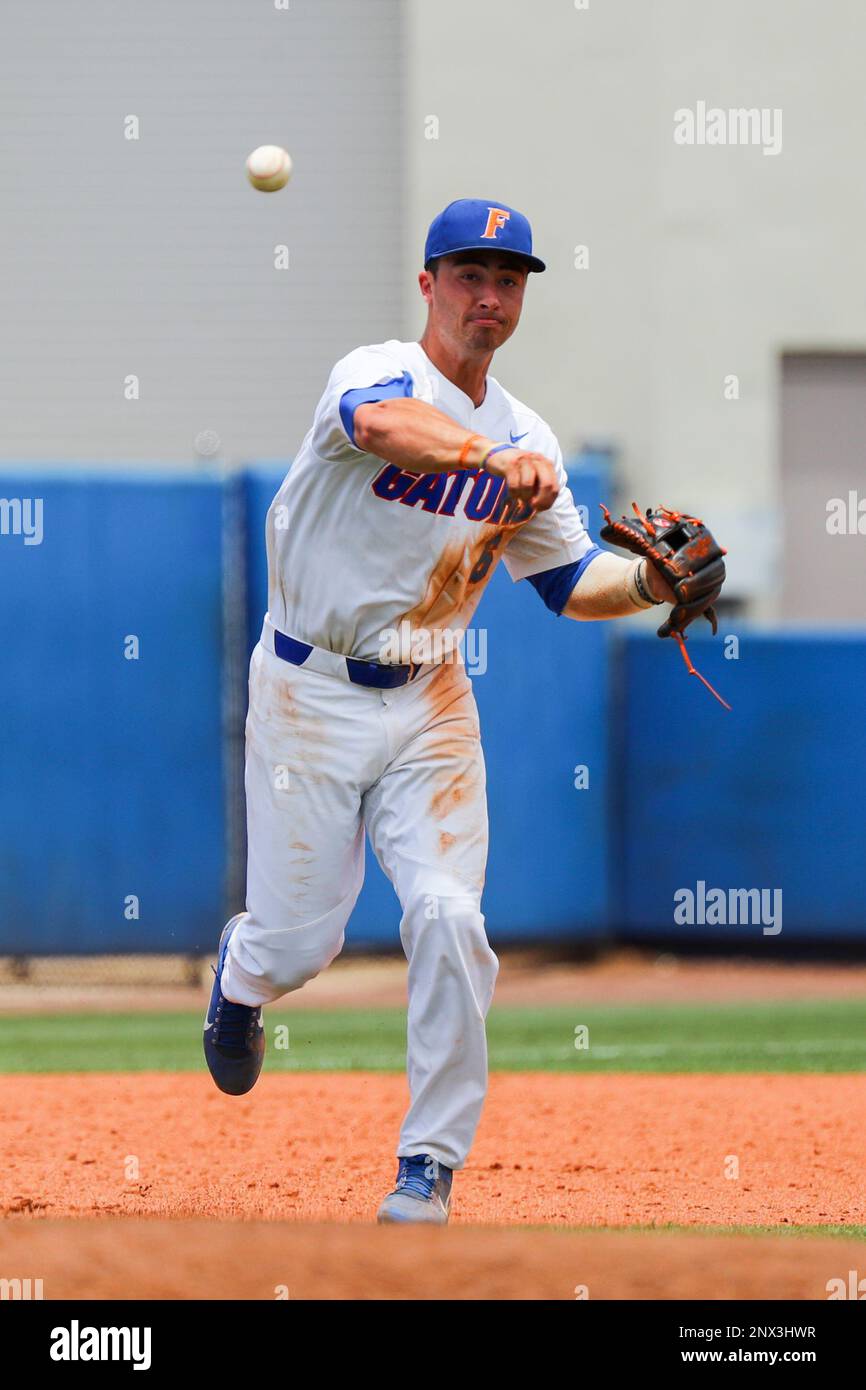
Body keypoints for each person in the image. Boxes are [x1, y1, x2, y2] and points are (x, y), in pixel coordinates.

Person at [204, 198, 675, 1224]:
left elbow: (569, 581)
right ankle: (242, 975)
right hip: (307, 689)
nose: (488, 297)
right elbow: (376, 427)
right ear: (427, 285)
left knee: (449, 915)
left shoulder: (526, 436)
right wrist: (479, 460)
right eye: (468, 275)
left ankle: (428, 1164)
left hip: (430, 701)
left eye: (506, 280)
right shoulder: (377, 373)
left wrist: (650, 588)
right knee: (299, 948)